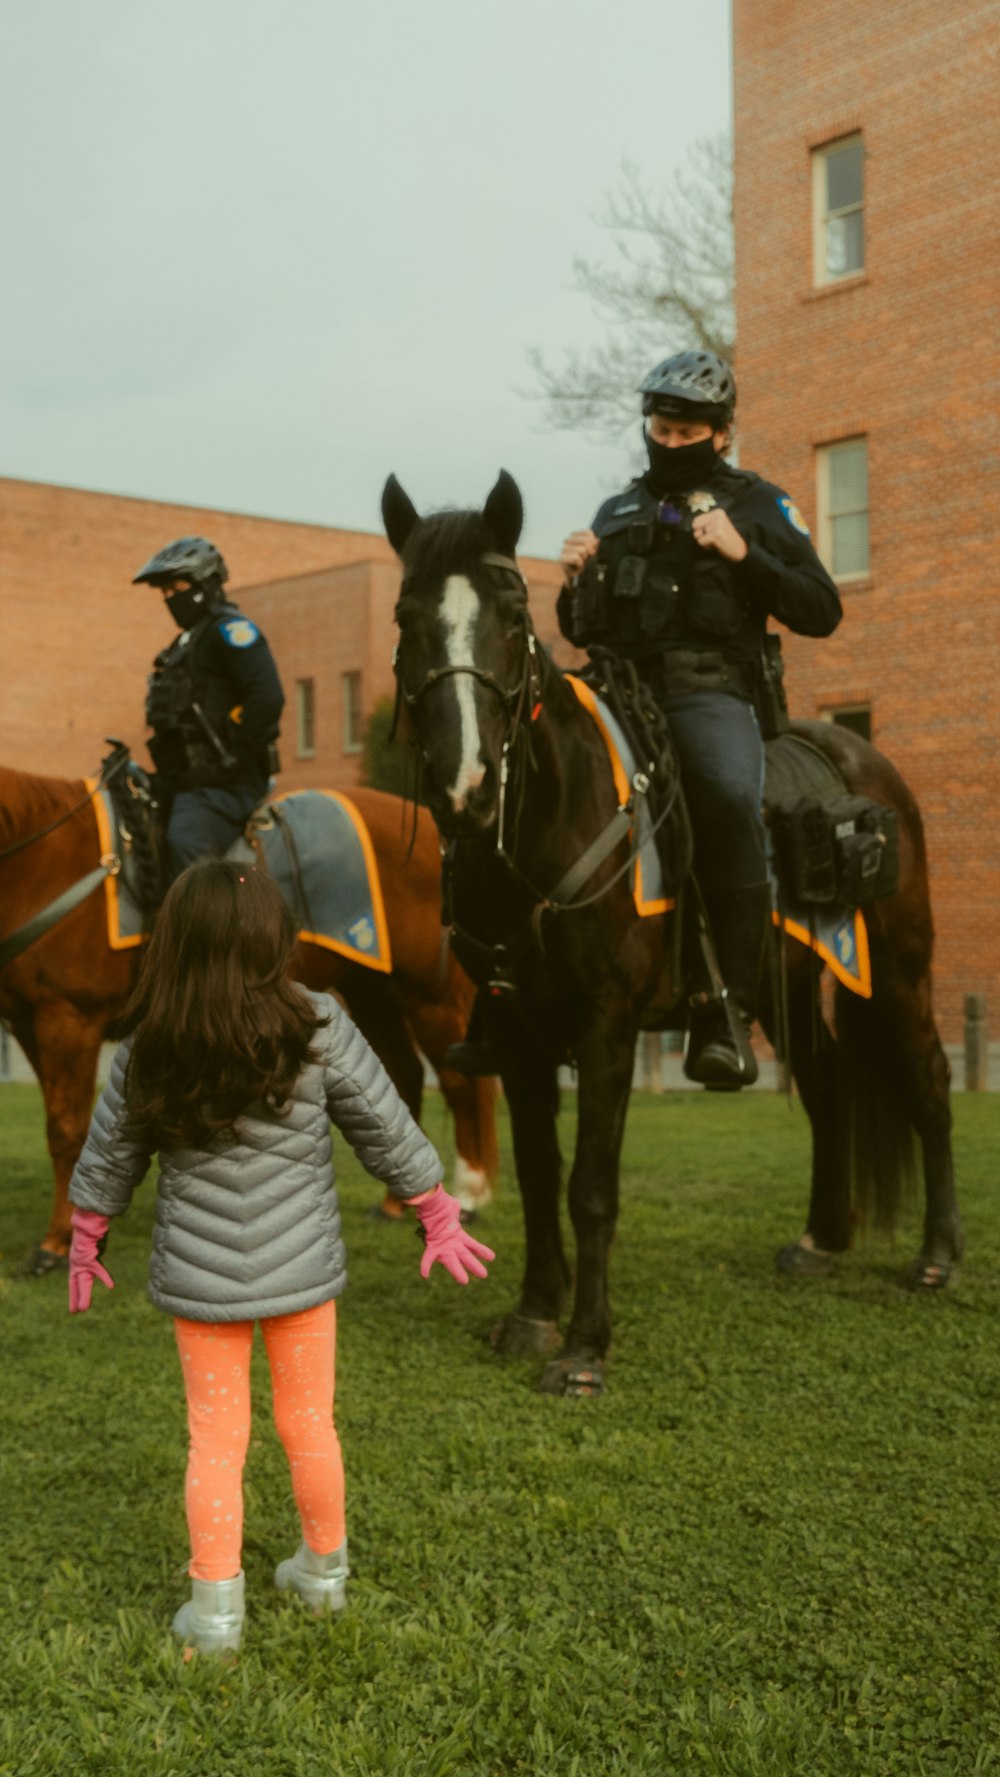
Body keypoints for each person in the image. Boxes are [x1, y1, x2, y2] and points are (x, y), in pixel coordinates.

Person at [66, 859, 494, 1656]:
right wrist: (436, 1209)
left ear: (175, 942)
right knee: (309, 1425)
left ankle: (216, 1611)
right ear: (274, 937)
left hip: (202, 1285)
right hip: (302, 1276)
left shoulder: (152, 1038)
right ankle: (323, 1573)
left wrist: (86, 1238)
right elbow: (384, 1122)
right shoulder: (317, 1021)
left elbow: (108, 1155)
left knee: (216, 1440)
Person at [558, 350, 842, 1088]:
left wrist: (745, 555)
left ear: (721, 433)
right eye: (661, 428)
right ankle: (506, 993)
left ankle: (727, 1010)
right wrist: (574, 583)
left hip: (707, 694)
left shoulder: (756, 504)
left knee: (722, 795)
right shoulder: (615, 512)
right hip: (616, 692)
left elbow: (821, 608)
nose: (671, 443)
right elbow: (584, 631)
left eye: (688, 432)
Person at [133, 537, 285, 880]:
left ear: (205, 583)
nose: (171, 598)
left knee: (185, 841)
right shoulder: (182, 646)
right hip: (183, 782)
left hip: (226, 786)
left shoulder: (229, 631)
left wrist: (235, 761)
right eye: (165, 593)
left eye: (178, 587)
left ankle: (206, 931)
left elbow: (267, 697)